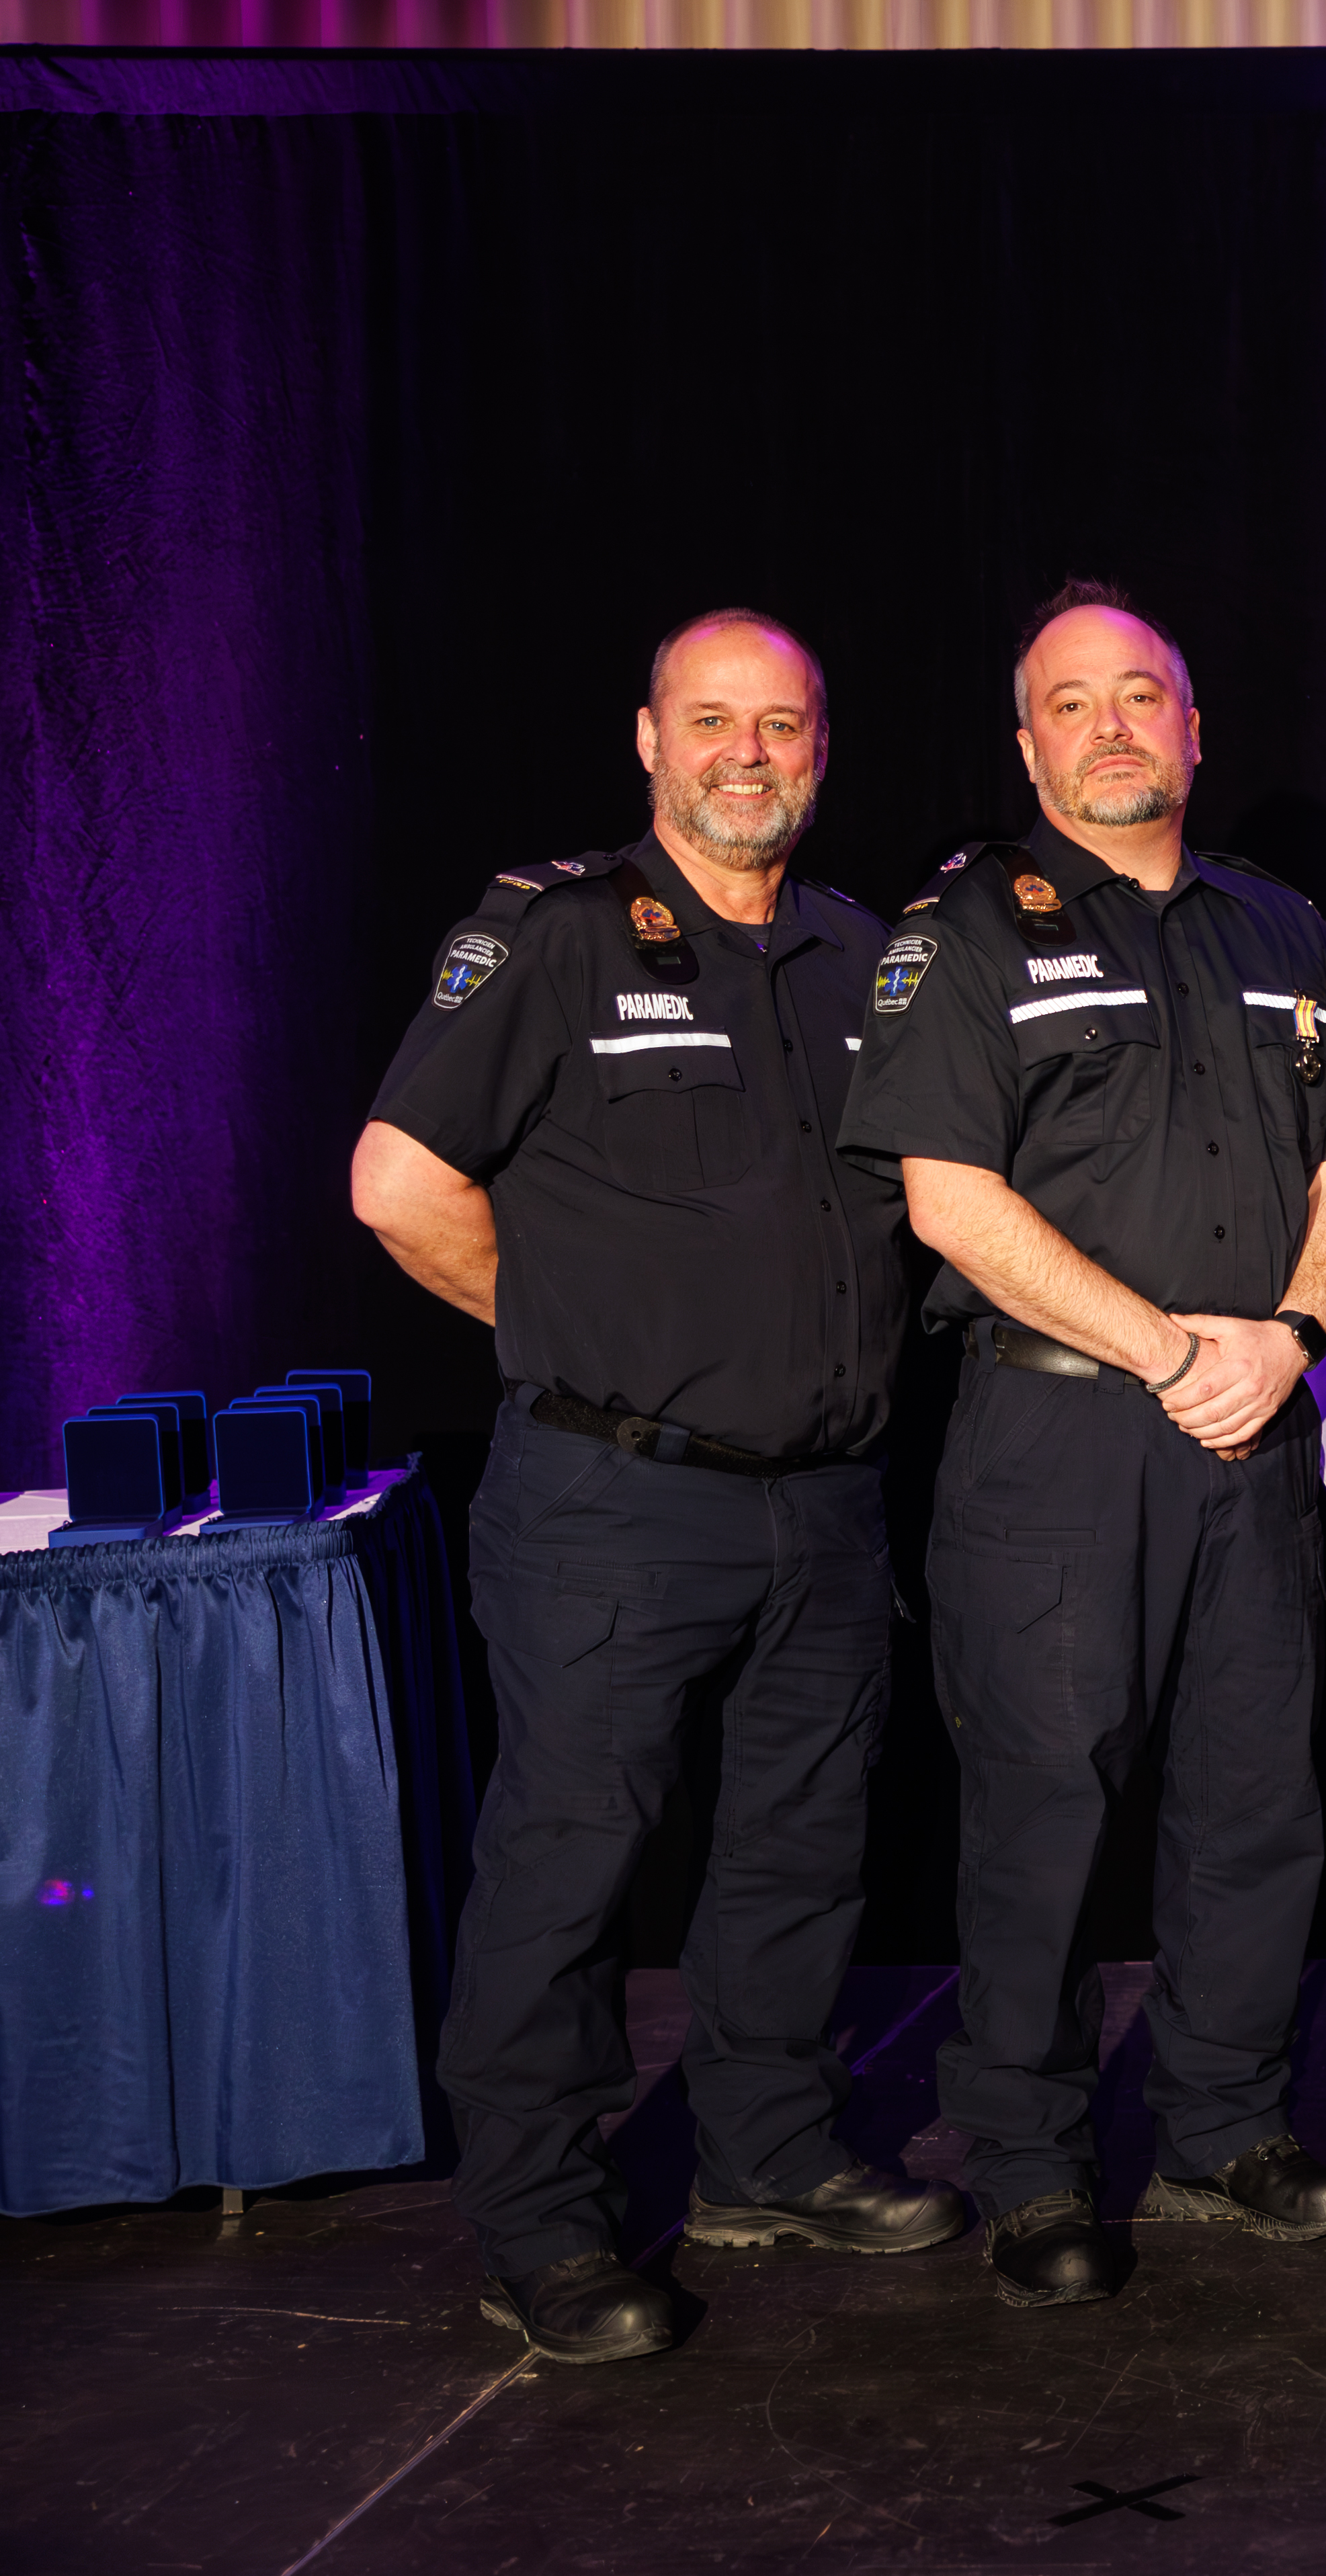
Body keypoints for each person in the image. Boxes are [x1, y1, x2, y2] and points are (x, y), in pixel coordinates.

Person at [354, 608, 963, 2363]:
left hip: (828, 1503)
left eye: (782, 725)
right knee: (570, 1861)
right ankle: (539, 2222)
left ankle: (766, 2154)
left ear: (821, 748)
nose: (749, 755)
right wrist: (578, 1335)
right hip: (613, 1499)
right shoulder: (548, 933)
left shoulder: (863, 957)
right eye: (715, 724)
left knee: (798, 1848)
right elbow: (397, 1183)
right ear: (650, 741)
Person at [835, 583, 1326, 2310]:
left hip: (1254, 1429)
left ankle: (1226, 2123)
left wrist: (1286, 1339)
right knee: (1042, 1814)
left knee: (1254, 1800)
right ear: (1030, 743)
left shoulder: (1288, 927)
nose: (1113, 726)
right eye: (1074, 703)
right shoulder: (967, 930)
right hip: (1058, 1442)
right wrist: (1164, 1347)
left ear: (1195, 726)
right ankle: (1036, 2162)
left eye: (1143, 694)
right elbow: (945, 1193)